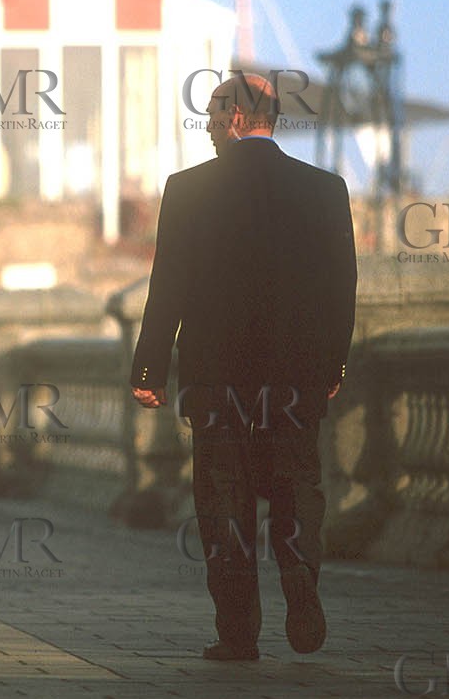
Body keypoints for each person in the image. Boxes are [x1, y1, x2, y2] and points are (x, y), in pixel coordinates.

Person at [130, 72, 356, 661]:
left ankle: (237, 631)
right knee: (297, 487)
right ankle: (301, 585)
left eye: (210, 115)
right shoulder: (324, 189)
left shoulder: (188, 189)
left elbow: (167, 288)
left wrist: (149, 369)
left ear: (234, 119)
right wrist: (332, 365)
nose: (205, 127)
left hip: (216, 376)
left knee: (223, 500)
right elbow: (342, 289)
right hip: (295, 376)